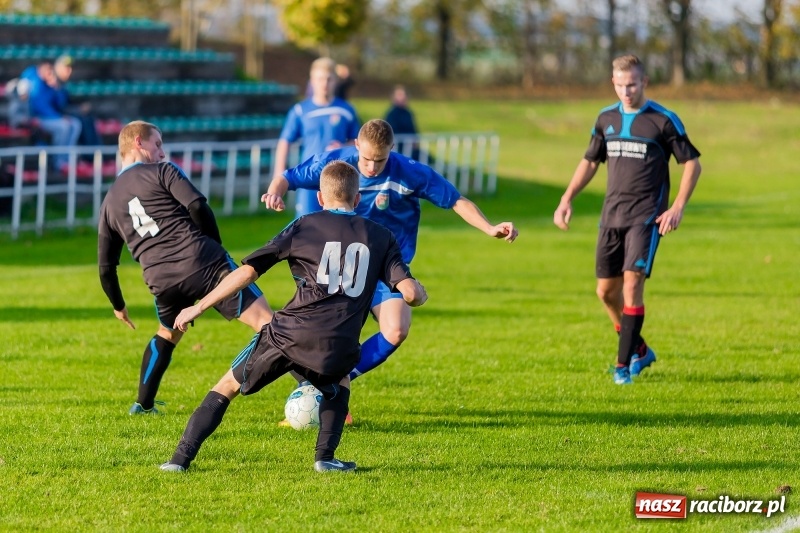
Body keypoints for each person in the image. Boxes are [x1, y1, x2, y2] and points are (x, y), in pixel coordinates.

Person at [159, 161, 427, 473]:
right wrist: (416, 291)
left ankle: (178, 461)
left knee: (226, 386)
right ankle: (325, 458)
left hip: (288, 334)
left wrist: (200, 306)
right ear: (357, 200)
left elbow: (247, 272)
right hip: (338, 343)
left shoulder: (304, 226)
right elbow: (410, 293)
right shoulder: (381, 237)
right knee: (340, 381)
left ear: (321, 199)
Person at [263, 119, 518, 422]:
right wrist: (274, 193)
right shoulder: (338, 165)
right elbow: (287, 177)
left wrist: (489, 228)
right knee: (311, 335)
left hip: (387, 266)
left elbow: (455, 200)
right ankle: (321, 387)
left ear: (391, 151)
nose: (371, 167)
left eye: (379, 159)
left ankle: (330, 384)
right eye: (366, 158)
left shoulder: (409, 172)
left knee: (396, 329)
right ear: (356, 145)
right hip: (341, 264)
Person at [97, 121, 274, 414]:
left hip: (161, 280)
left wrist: (118, 305)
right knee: (271, 326)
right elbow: (198, 207)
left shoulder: (108, 203)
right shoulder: (163, 171)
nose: (162, 152)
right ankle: (317, 392)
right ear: (138, 142)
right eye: (158, 144)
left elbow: (105, 266)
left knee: (167, 333)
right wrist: (215, 247)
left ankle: (142, 404)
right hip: (203, 261)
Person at [552, 54, 702, 385]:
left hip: (647, 217)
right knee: (606, 293)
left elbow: (691, 164)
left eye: (632, 84)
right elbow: (590, 162)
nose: (626, 91)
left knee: (632, 285)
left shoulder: (663, 120)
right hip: (611, 217)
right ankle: (639, 347)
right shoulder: (605, 119)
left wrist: (677, 206)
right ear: (613, 83)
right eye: (620, 85)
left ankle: (622, 367)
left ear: (644, 81)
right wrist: (566, 199)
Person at [272, 57, 360, 218]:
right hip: (310, 177)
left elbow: (358, 144)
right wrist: (279, 175)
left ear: (335, 81)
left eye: (329, 79)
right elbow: (285, 141)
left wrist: (343, 146)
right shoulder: (300, 110)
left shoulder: (346, 110)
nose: (324, 84)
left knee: (339, 227)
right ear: (312, 81)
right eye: (320, 79)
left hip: (338, 179)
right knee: (307, 226)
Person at [25, 59, 81, 169]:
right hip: (38, 118)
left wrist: (57, 89)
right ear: (41, 69)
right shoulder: (35, 83)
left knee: (75, 124)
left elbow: (60, 104)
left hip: (52, 117)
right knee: (64, 126)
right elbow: (39, 107)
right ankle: (59, 161)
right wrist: (58, 117)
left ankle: (67, 158)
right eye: (48, 70)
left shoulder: (50, 84)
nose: (50, 73)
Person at [53, 55, 102, 148]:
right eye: (66, 68)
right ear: (58, 68)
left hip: (64, 113)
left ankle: (96, 152)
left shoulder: (63, 85)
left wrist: (80, 107)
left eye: (70, 68)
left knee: (88, 117)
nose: (69, 71)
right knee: (79, 121)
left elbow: (67, 102)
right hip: (55, 116)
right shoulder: (53, 83)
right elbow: (59, 107)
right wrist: (78, 109)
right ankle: (89, 155)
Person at [384, 85, 420, 159]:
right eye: (399, 95)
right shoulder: (391, 114)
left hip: (410, 148)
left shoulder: (408, 113)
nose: (402, 98)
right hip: (397, 149)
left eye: (403, 95)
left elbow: (413, 130)